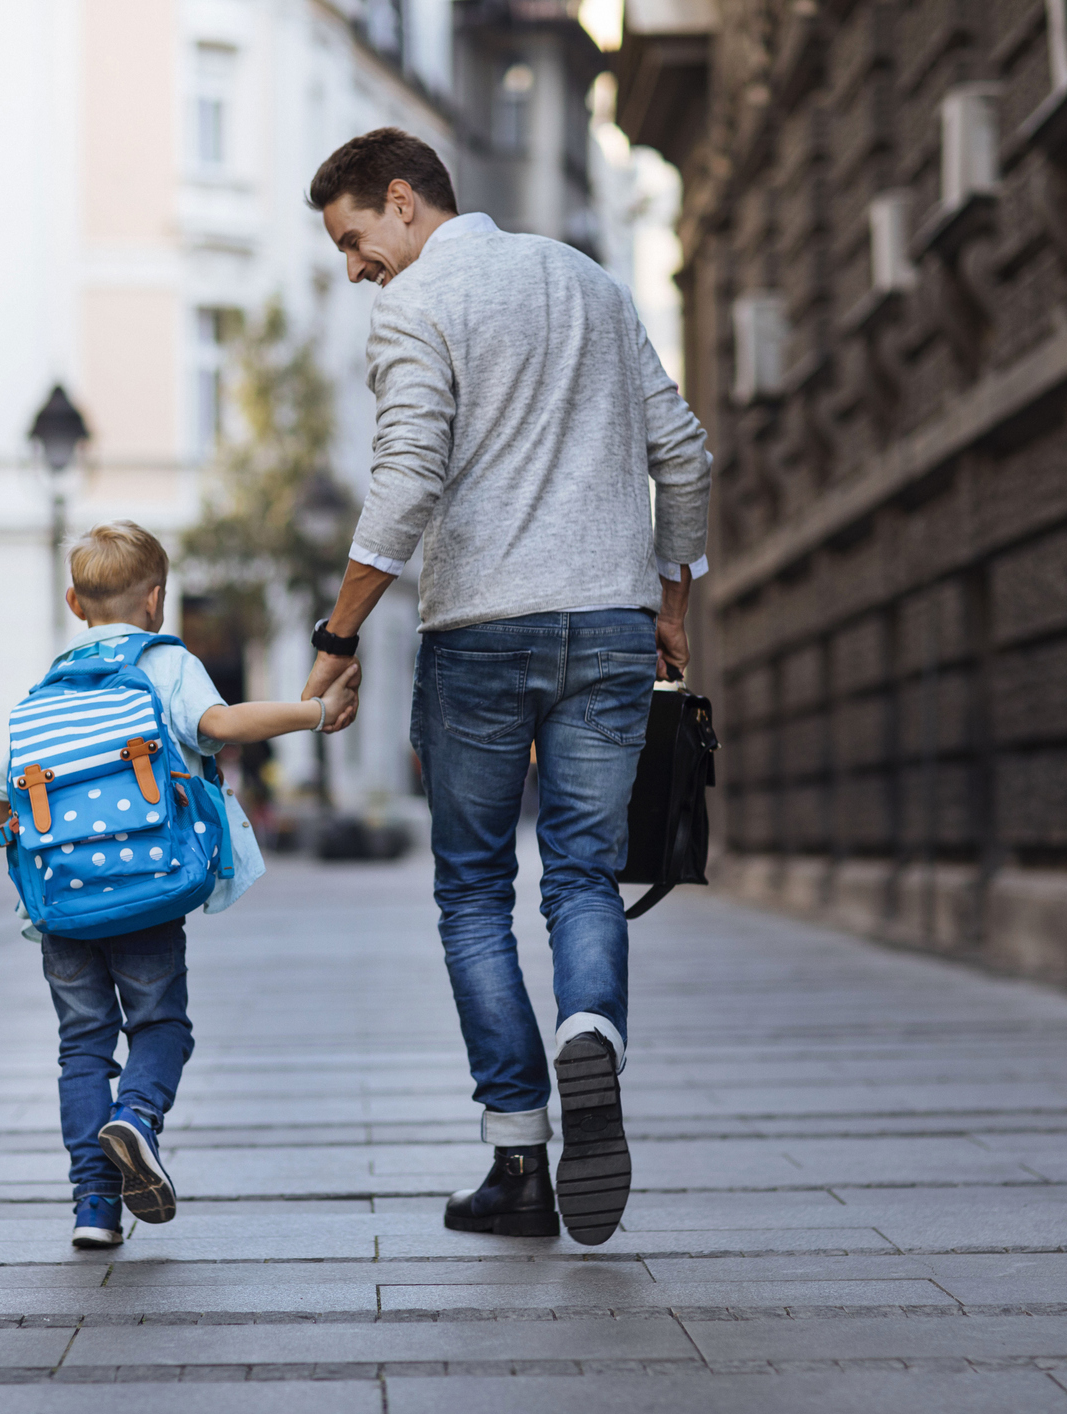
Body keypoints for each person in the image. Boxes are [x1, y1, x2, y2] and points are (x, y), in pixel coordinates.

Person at [298, 129, 712, 1245]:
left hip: (483, 632)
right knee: (581, 871)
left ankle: (520, 1158)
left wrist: (338, 633)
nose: (353, 269)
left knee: (475, 891)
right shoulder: (591, 283)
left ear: (400, 201)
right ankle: (593, 1031)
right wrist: (672, 602)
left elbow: (405, 482)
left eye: (352, 240)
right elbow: (685, 454)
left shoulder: (418, 306)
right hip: (613, 624)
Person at [0, 521, 360, 1250]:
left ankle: (94, 1208)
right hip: (145, 888)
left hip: (62, 902)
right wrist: (314, 712)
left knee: (81, 1048)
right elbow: (221, 724)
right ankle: (138, 1116)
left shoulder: (46, 689)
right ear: (156, 600)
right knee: (160, 1025)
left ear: (74, 603)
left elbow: (0, 802)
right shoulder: (164, 662)